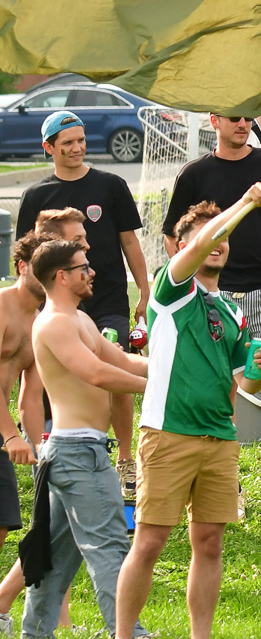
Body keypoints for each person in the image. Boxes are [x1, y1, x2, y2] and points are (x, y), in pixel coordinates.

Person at [112, 190, 261, 639]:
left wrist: (258, 367)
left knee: (209, 543)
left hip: (219, 439)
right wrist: (243, 203)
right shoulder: (171, 289)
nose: (218, 243)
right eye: (209, 237)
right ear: (182, 248)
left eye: (226, 238)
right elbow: (201, 241)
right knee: (149, 541)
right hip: (167, 434)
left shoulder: (232, 312)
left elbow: (242, 387)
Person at [162, 113, 261, 519]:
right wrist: (196, 285)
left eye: (247, 118)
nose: (242, 124)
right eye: (233, 118)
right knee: (221, 389)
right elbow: (173, 237)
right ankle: (230, 487)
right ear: (214, 121)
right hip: (217, 295)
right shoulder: (195, 174)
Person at [19, 238, 155, 639]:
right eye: (83, 268)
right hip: (76, 451)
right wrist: (159, 387)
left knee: (58, 552)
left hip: (82, 450)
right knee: (109, 542)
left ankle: (36, 635)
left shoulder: (79, 319)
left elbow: (120, 361)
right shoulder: (55, 323)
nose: (91, 272)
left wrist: (174, 367)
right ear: (61, 277)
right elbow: (96, 373)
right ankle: (129, 634)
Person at [18, 111, 151, 495]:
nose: (76, 148)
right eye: (67, 143)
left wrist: (143, 290)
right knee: (47, 379)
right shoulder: (37, 197)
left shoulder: (110, 185)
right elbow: (28, 256)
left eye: (80, 140)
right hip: (58, 302)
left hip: (106, 297)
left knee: (116, 369)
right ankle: (51, 450)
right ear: (49, 148)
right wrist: (30, 300)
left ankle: (126, 461)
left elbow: (130, 242)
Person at [0, 232, 49, 639]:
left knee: (2, 524)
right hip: (0, 433)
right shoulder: (0, 307)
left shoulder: (40, 322)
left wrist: (40, 447)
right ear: (21, 267)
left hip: (1, 432)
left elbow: (30, 398)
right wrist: (9, 436)